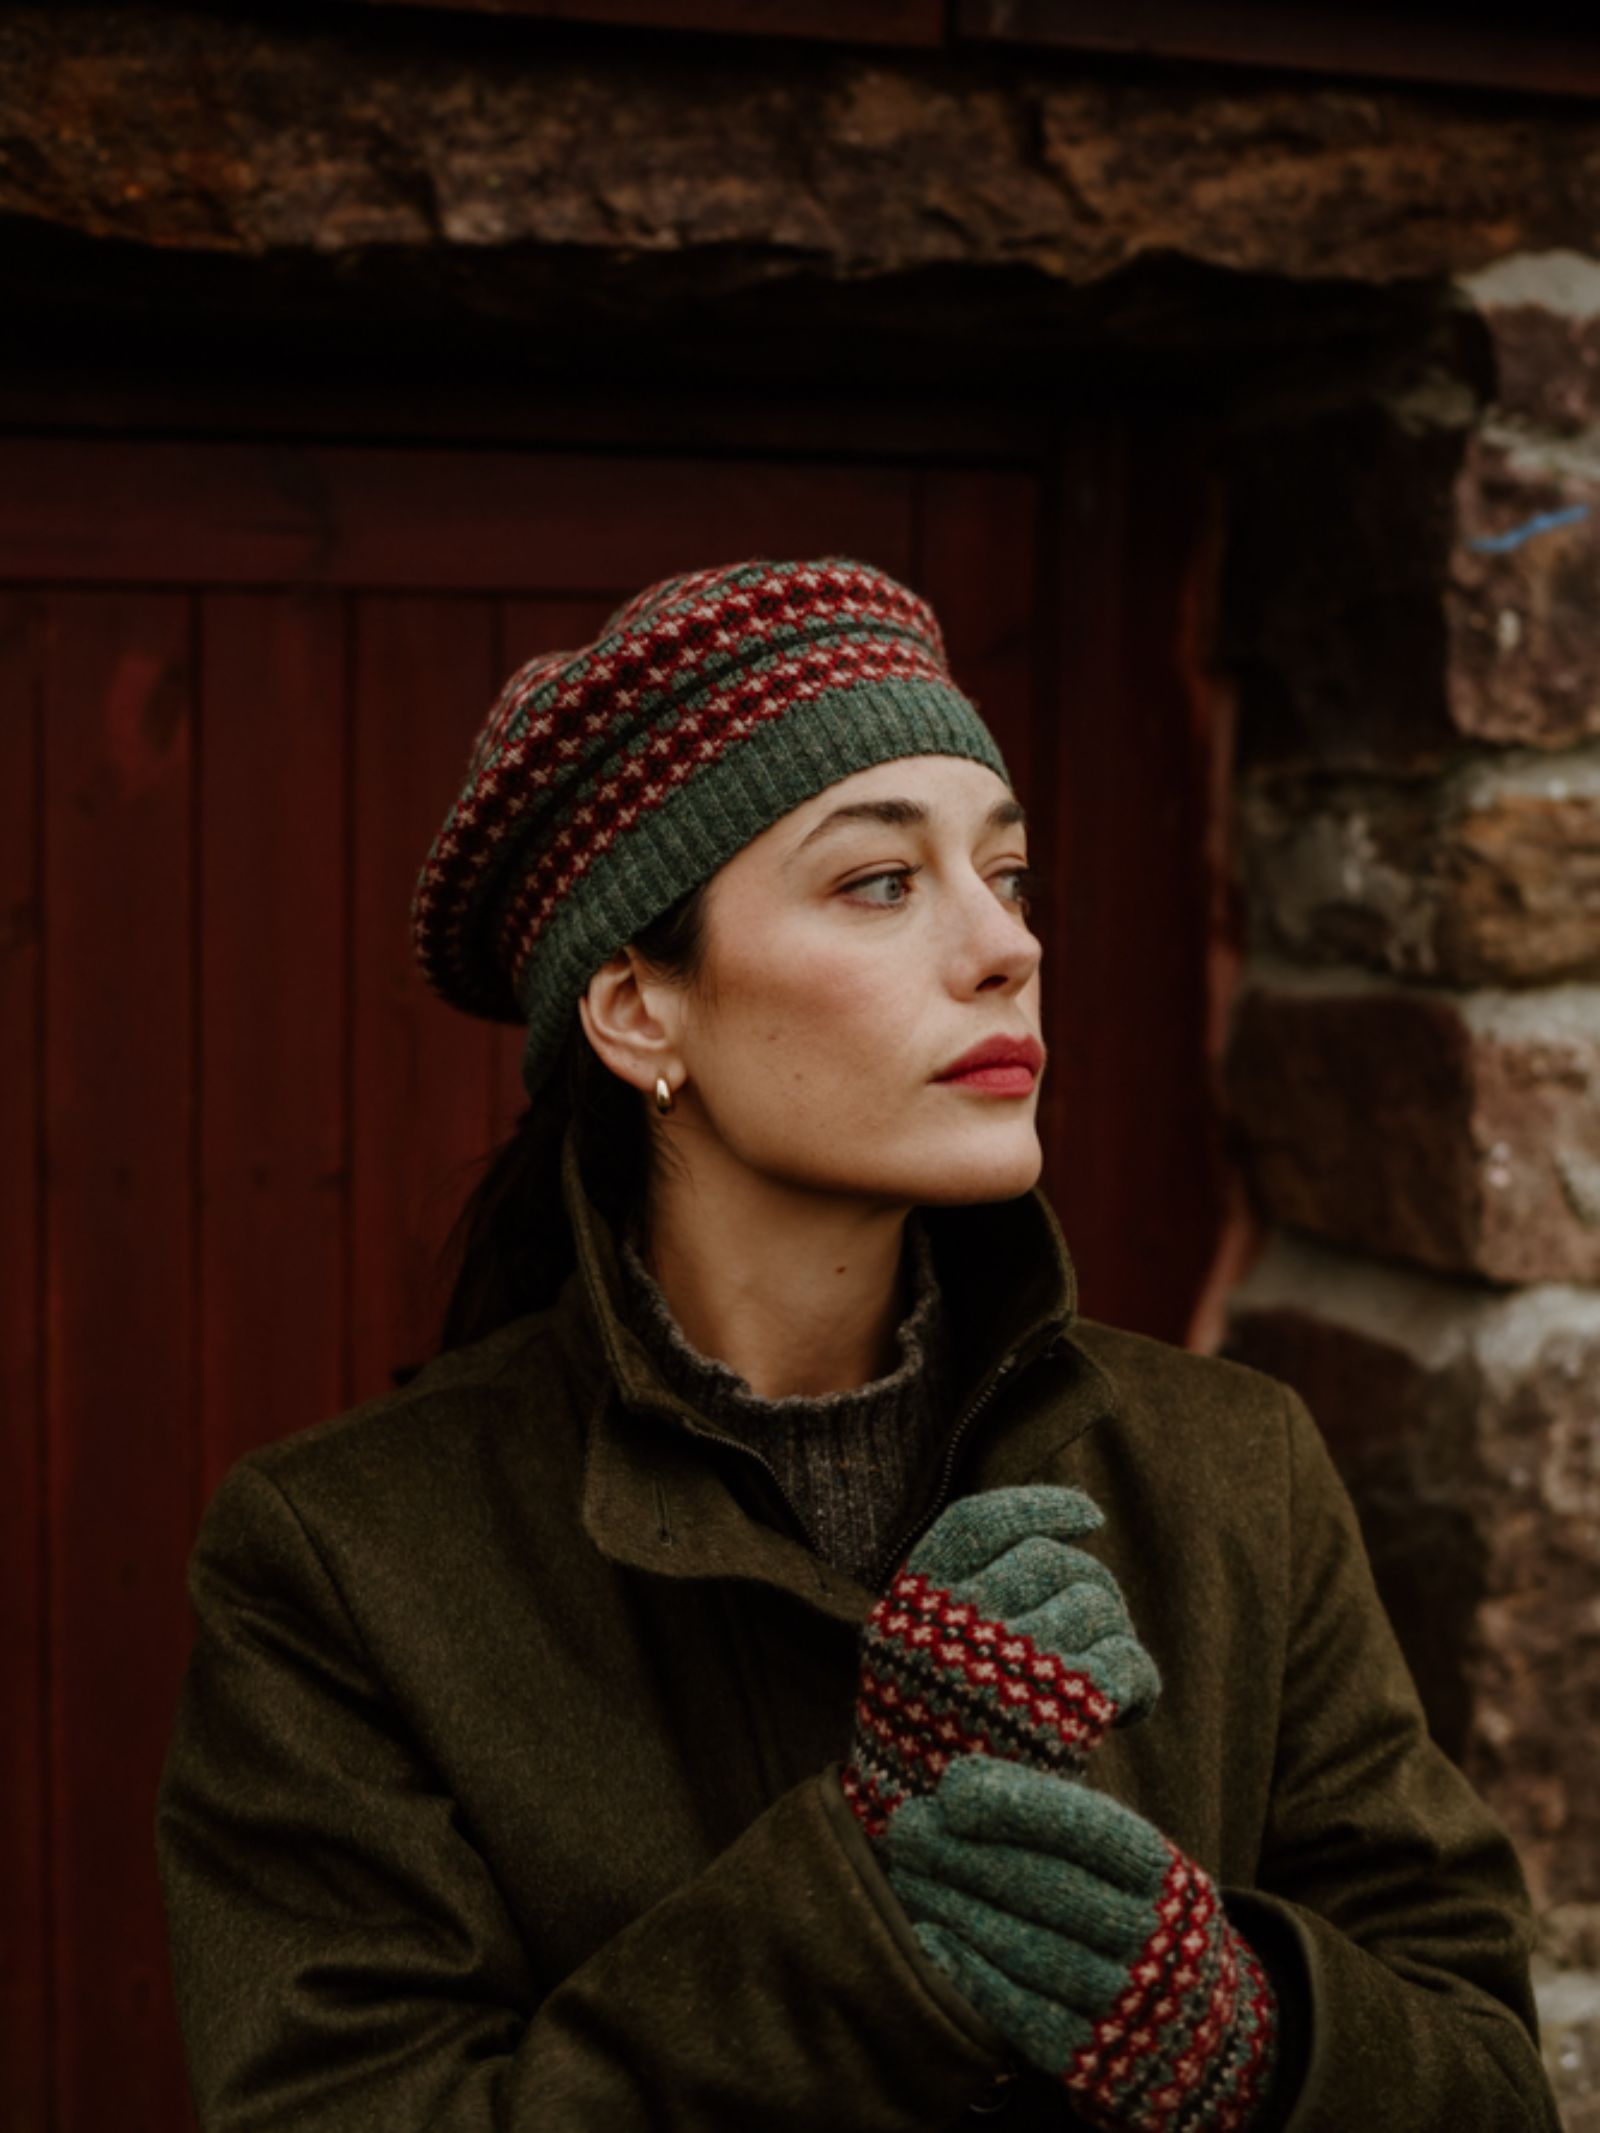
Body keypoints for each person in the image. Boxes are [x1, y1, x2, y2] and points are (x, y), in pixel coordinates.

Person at [156, 556, 1559, 2131]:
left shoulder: (1231, 1468)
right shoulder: (348, 1563)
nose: (1004, 945)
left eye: (1006, 874)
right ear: (637, 1010)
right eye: (880, 883)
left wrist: (1247, 2032)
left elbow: (1491, 2073)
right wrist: (867, 1894)